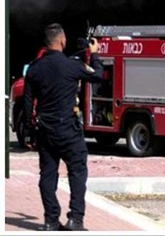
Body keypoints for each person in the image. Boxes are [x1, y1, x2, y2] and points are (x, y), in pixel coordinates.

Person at [24, 23, 104, 231]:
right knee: (77, 172)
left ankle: (51, 221)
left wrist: (30, 132)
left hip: (45, 130)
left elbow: (27, 102)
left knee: (47, 175)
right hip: (68, 129)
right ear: (61, 40)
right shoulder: (72, 65)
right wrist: (94, 54)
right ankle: (75, 219)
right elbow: (98, 75)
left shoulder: (34, 68)